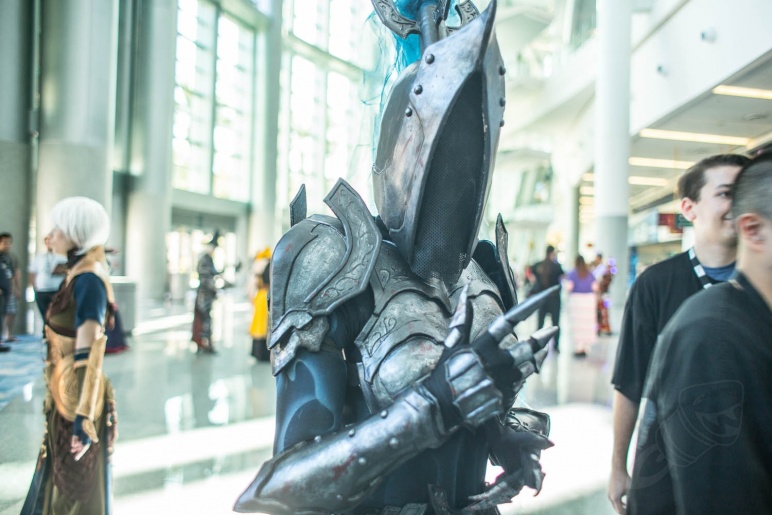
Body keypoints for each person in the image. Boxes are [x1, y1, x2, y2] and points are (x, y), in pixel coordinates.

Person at [234, 3, 559, 513]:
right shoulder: (338, 262)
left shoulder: (484, 275)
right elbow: (275, 493)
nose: (456, 175)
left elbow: (485, 409)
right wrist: (428, 409)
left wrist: (504, 434)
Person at [628, 153, 772, 514]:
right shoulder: (713, 337)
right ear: (754, 230)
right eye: (723, 193)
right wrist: (617, 465)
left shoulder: (750, 319)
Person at [21, 196, 118, 514]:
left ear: (76, 235)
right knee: (61, 479)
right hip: (65, 396)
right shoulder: (78, 274)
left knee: (74, 488)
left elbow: (89, 353)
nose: (51, 236)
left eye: (58, 229)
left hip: (78, 400)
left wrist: (83, 419)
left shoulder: (89, 279)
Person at [29, 234, 68, 336]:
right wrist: (34, 287)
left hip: (57, 289)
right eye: (47, 241)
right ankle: (46, 333)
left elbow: (69, 270)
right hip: (42, 289)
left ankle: (55, 333)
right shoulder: (39, 257)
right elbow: (32, 272)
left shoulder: (63, 257)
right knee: (44, 313)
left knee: (55, 313)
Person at [530, 244, 564, 351]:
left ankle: (537, 344)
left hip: (542, 298)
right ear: (552, 253)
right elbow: (562, 276)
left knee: (540, 323)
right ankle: (556, 345)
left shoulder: (539, 265)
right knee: (555, 323)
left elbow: (531, 270)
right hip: (554, 298)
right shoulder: (556, 266)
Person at [192, 231, 220, 354]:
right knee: (204, 320)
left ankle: (205, 343)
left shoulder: (208, 259)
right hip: (204, 294)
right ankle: (204, 344)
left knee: (205, 319)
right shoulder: (205, 259)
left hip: (206, 294)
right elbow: (205, 277)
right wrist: (213, 287)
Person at [564, 255, 597, 357]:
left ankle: (579, 346)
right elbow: (595, 287)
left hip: (576, 300)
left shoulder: (573, 273)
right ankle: (586, 346)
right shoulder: (590, 273)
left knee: (577, 324)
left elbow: (569, 287)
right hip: (589, 300)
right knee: (587, 323)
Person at [248, 248, 271, 362]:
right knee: (265, 326)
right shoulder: (268, 264)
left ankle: (257, 353)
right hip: (266, 295)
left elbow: (251, 285)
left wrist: (251, 297)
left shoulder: (257, 264)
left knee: (258, 325)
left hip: (260, 296)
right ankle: (264, 354)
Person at [0, 232, 21, 342]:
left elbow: (14, 273)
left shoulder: (11, 257)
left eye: (9, 243)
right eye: (4, 243)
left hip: (9, 288)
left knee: (11, 311)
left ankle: (8, 334)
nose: (7, 245)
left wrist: (16, 288)